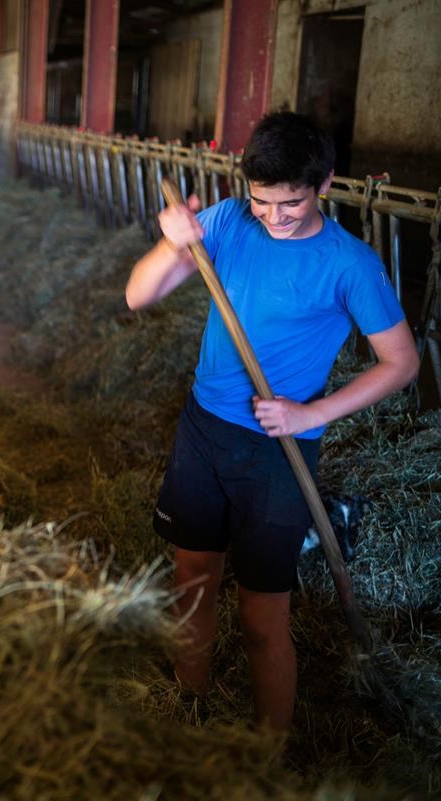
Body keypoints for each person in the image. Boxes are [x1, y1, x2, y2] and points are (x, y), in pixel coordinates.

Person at [124, 111, 418, 733]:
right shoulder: (231, 220)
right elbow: (138, 295)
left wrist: (310, 412)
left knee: (262, 616)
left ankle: (269, 754)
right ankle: (188, 703)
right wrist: (173, 242)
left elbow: (401, 363)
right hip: (204, 430)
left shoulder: (350, 264)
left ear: (325, 186)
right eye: (263, 201)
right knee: (193, 577)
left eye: (291, 204)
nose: (275, 217)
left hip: (279, 450)